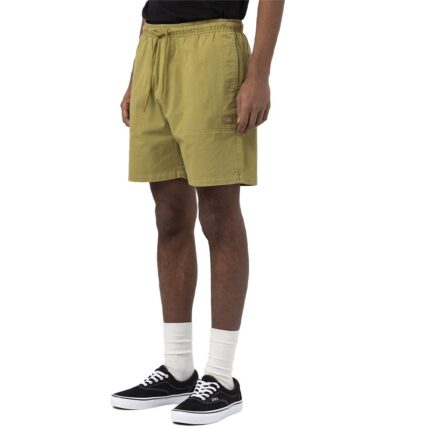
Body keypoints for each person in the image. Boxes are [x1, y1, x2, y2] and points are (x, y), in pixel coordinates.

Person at [111, 0, 284, 425]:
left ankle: (221, 377)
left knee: (218, 215)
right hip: (154, 46)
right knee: (168, 214)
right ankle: (178, 369)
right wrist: (136, 75)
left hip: (213, 44)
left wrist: (259, 74)